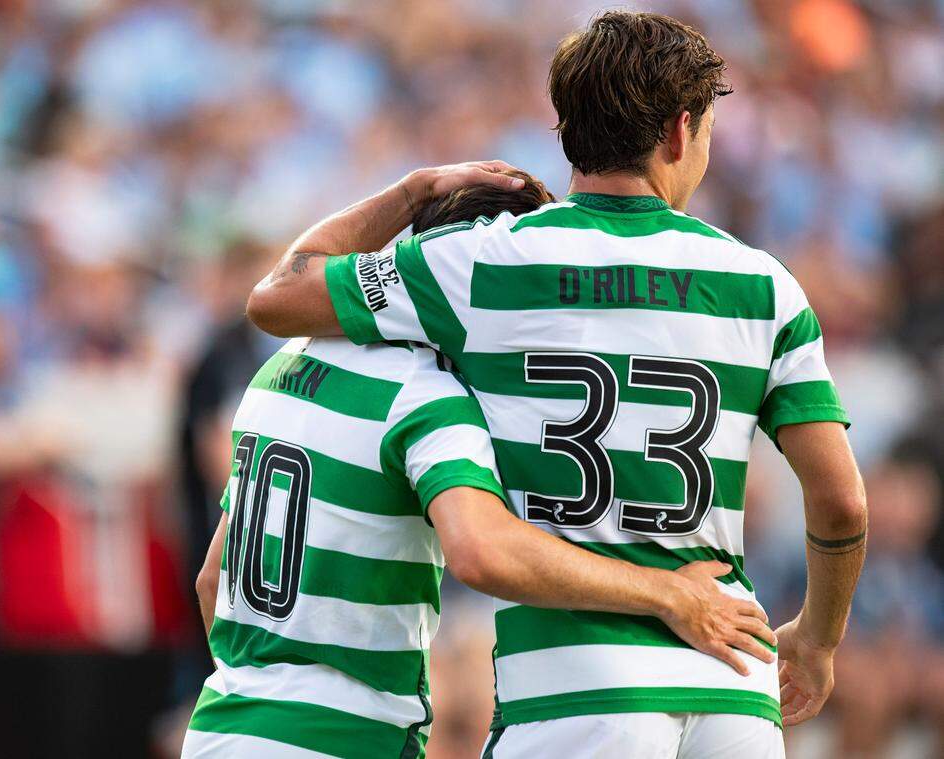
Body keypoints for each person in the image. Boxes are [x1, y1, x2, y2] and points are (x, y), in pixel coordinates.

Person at [246, 12, 868, 758]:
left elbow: (280, 296)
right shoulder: (765, 285)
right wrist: (819, 638)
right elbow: (840, 498)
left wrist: (414, 191)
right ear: (679, 131)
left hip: (575, 689)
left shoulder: (481, 263)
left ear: (569, 128)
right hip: (734, 677)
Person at [183, 170, 778, 758]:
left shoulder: (277, 374)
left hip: (223, 724)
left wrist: (411, 190)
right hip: (345, 738)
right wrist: (666, 593)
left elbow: (214, 582)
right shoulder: (425, 395)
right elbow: (481, 550)